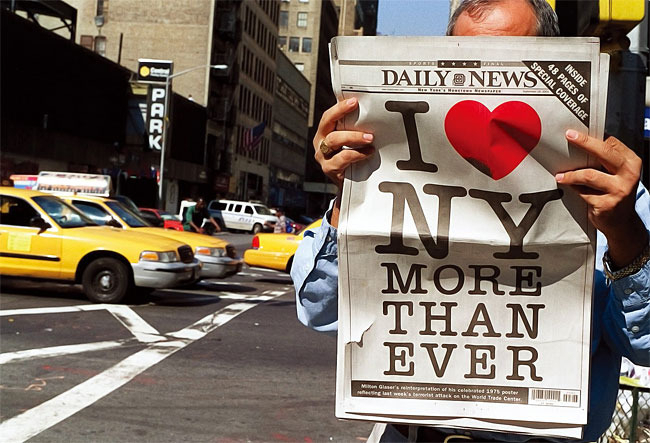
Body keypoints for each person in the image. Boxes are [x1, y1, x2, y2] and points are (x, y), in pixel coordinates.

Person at [290, 0, 650, 442]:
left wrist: (624, 233)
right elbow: (321, 312)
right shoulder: (383, 164)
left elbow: (644, 349)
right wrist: (350, 192)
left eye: (510, 61)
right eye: (465, 56)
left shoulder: (614, 194)